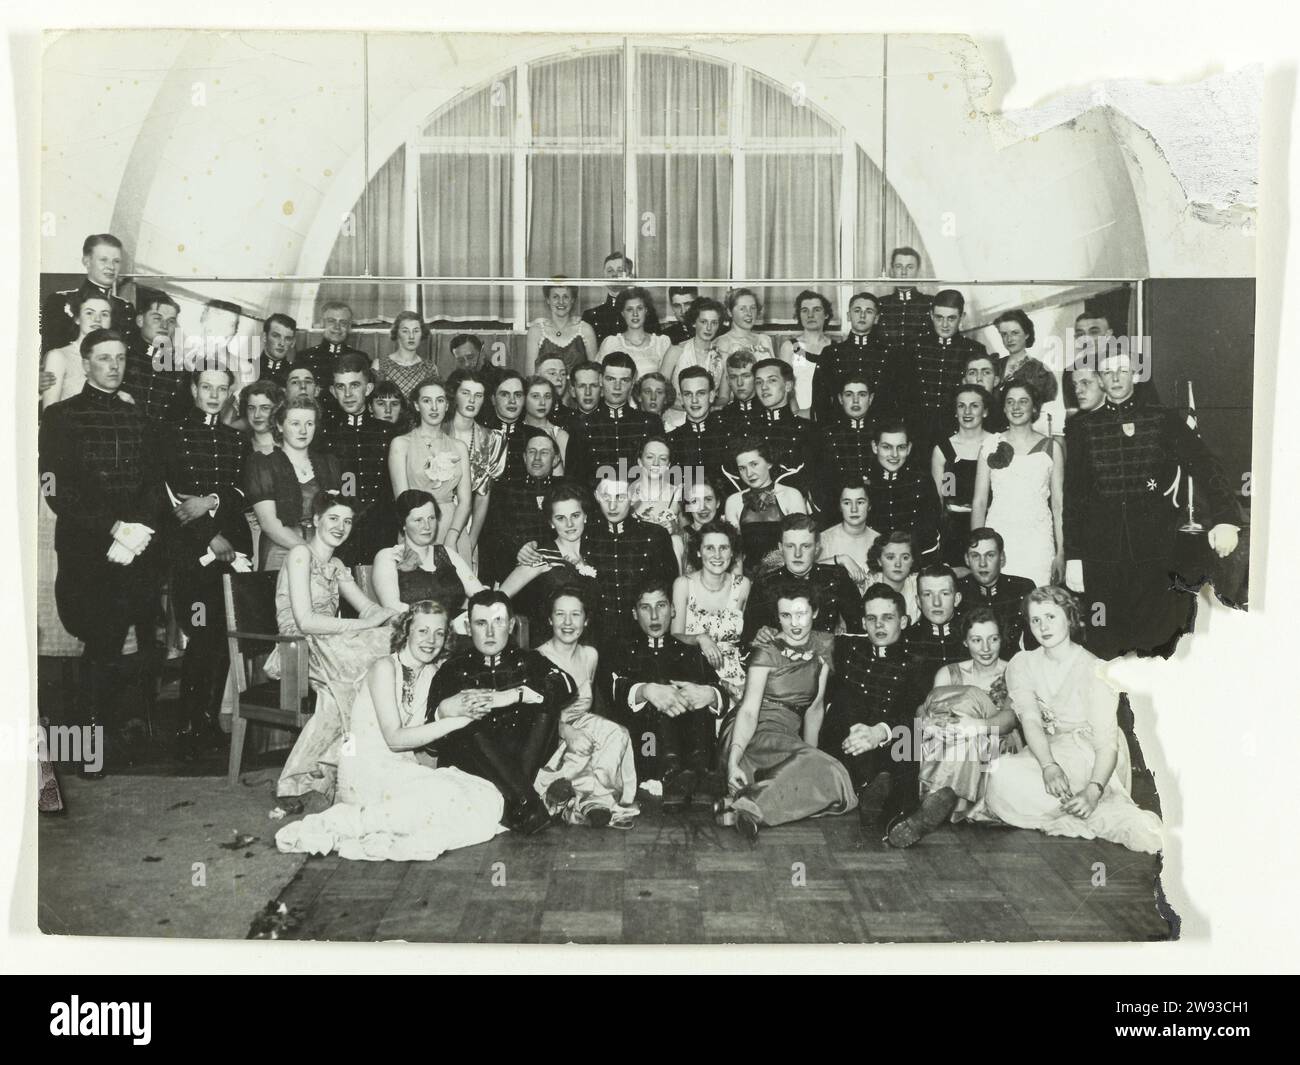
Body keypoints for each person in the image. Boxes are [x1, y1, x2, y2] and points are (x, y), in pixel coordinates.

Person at [274, 600, 506, 860]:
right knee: (444, 800)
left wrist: (451, 711)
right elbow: (395, 740)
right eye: (422, 631)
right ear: (406, 632)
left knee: (485, 795)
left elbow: (428, 738)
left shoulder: (432, 673)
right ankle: (347, 820)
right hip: (366, 774)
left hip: (402, 771)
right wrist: (459, 720)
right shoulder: (384, 667)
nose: (431, 640)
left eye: (439, 633)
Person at [39, 328, 166, 775]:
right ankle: (88, 745)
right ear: (86, 361)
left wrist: (139, 532)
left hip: (136, 549)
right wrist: (112, 528)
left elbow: (153, 485)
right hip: (87, 551)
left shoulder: (143, 420)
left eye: (120, 358)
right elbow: (56, 488)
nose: (114, 366)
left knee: (132, 642)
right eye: (104, 358)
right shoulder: (60, 417)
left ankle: (120, 734)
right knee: (99, 640)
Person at [1064, 351, 1241, 659]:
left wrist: (1226, 518)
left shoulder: (1163, 419)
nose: (1116, 378)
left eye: (1122, 370)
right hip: (1100, 563)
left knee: (1157, 644)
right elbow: (1074, 496)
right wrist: (1074, 556)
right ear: (1101, 380)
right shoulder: (1082, 428)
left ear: (1135, 374)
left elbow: (1205, 464)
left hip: (1156, 557)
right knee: (1102, 639)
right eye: (1107, 373)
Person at [983, 587, 1164, 853]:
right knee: (999, 775)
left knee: (1071, 792)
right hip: (1047, 750)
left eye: (1051, 617)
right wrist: (1048, 766)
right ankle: (1076, 809)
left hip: (1091, 754)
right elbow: (1031, 722)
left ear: (1070, 617)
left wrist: (1093, 789)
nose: (1043, 626)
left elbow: (1107, 745)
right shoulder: (1023, 663)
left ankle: (1091, 803)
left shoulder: (1095, 670)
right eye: (1035, 620)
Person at [271, 495, 399, 800]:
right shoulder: (300, 554)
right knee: (352, 683)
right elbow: (305, 621)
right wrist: (363, 625)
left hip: (333, 643)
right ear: (315, 520)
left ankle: (342, 770)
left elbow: (367, 608)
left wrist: (397, 615)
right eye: (333, 519)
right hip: (298, 647)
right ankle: (306, 778)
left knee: (380, 658)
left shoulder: (337, 564)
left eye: (347, 521)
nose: (341, 527)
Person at [424, 590, 579, 835]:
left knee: (545, 708)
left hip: (522, 758)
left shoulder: (529, 660)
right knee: (467, 721)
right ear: (468, 626)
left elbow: (568, 687)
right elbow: (431, 745)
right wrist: (443, 712)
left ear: (511, 625)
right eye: (481, 623)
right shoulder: (453, 669)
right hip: (474, 764)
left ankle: (517, 801)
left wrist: (515, 694)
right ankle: (527, 801)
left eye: (498, 622)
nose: (489, 632)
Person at [723, 581, 858, 840]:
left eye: (801, 614)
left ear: (815, 612)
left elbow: (815, 708)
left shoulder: (824, 645)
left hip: (788, 735)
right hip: (753, 732)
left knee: (829, 771)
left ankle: (741, 805)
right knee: (829, 772)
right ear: (778, 616)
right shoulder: (767, 650)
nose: (794, 623)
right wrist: (732, 761)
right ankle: (752, 806)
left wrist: (810, 756)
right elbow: (749, 711)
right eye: (786, 615)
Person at [162, 367, 252, 753]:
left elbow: (241, 491)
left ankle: (209, 720)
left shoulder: (236, 439)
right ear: (194, 390)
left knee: (222, 636)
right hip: (191, 555)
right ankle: (187, 724)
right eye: (207, 388)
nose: (214, 395)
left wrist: (212, 502)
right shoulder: (171, 433)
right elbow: (170, 499)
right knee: (199, 634)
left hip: (229, 553)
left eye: (221, 389)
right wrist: (209, 536)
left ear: (230, 393)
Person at [885, 606, 1023, 847]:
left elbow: (1009, 719)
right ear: (965, 641)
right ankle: (940, 802)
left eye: (993, 639)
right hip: (950, 741)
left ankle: (928, 802)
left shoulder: (1014, 672)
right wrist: (929, 724)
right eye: (977, 640)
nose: (986, 648)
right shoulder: (948, 673)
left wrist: (975, 725)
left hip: (994, 742)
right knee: (915, 734)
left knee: (970, 703)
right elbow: (926, 709)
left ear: (1002, 639)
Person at [597, 577, 730, 807]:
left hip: (691, 751)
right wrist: (647, 691)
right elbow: (612, 690)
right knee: (658, 689)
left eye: (661, 606)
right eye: (645, 608)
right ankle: (671, 773)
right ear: (634, 613)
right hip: (647, 749)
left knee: (697, 693)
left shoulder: (691, 653)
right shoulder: (620, 649)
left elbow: (722, 696)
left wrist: (708, 694)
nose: (655, 616)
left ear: (674, 609)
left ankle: (699, 773)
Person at [532, 586, 638, 827]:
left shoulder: (591, 655)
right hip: (550, 734)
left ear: (586, 620)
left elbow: (588, 710)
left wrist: (593, 735)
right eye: (560, 614)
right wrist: (567, 732)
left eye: (576, 614)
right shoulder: (536, 659)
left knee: (617, 733)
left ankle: (587, 799)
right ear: (549, 619)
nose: (568, 622)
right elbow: (533, 717)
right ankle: (574, 799)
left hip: (582, 727)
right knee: (581, 750)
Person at [819, 583, 916, 829]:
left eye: (888, 618)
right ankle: (883, 801)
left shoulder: (916, 663)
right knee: (848, 697)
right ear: (863, 623)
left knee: (909, 734)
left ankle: (891, 807)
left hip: (888, 746)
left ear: (903, 622)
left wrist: (878, 733)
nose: (879, 625)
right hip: (845, 745)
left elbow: (911, 714)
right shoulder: (847, 648)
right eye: (871, 619)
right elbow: (802, 636)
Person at [971, 382, 1064, 587]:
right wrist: (977, 550)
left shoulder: (1052, 447)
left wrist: (1061, 552)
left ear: (1034, 408)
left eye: (1023, 401)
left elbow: (1058, 506)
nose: (1016, 407)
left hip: (1038, 541)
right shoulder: (989, 446)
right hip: (999, 539)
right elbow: (979, 502)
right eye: (1010, 402)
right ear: (1003, 408)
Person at [317, 353, 398, 566]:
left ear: (368, 389)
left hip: (383, 530)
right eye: (341, 387)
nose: (348, 394)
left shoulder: (389, 433)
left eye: (354, 385)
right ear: (333, 391)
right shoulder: (323, 434)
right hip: (340, 532)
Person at [245, 397, 342, 570]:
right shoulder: (262, 464)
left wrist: (324, 552)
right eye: (295, 423)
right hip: (281, 552)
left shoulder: (330, 464)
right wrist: (313, 553)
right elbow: (269, 523)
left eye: (309, 424)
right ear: (280, 426)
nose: (303, 431)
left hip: (325, 550)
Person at [581, 476, 679, 647]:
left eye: (620, 497)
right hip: (597, 639)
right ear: (596, 496)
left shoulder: (655, 536)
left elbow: (669, 591)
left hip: (643, 638)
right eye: (606, 497)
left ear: (634, 496)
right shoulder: (586, 536)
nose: (612, 506)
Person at [501, 483, 602, 642]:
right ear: (551, 523)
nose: (569, 524)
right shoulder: (539, 556)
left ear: (585, 516)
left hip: (590, 643)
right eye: (560, 518)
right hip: (550, 643)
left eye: (575, 515)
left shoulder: (596, 553)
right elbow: (500, 597)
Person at [743, 514, 863, 644]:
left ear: (817, 548)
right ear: (780, 548)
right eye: (790, 546)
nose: (797, 554)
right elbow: (748, 636)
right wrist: (759, 635)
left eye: (805, 546)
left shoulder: (836, 577)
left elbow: (859, 629)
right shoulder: (765, 583)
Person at [371, 490, 485, 622]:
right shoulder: (388, 557)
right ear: (403, 524)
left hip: (456, 632)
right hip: (413, 633)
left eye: (431, 518)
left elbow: (481, 596)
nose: (427, 526)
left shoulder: (447, 553)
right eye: (418, 520)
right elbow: (393, 609)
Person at [389, 378, 473, 554]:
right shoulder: (401, 444)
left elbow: (465, 501)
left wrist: (452, 537)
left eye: (440, 400)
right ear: (417, 406)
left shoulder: (459, 447)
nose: (434, 407)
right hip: (417, 527)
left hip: (453, 528)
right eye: (427, 401)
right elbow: (403, 501)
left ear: (447, 405)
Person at [672, 520, 750, 704]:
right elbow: (674, 635)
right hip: (694, 674)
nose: (717, 555)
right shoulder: (683, 584)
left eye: (723, 548)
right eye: (709, 548)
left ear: (732, 552)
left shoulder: (743, 585)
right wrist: (700, 638)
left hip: (735, 679)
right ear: (699, 552)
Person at [902, 289, 987, 451]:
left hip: (958, 434)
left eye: (951, 318)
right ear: (931, 315)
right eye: (939, 318)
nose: (945, 325)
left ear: (962, 317)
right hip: (916, 435)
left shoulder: (975, 351)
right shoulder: (912, 348)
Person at [564, 352, 663, 488]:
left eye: (624, 380)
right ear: (600, 380)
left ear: (633, 382)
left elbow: (661, 476)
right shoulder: (582, 424)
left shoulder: (650, 423)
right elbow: (573, 481)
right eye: (611, 379)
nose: (617, 387)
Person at [480, 427, 564, 586]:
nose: (537, 458)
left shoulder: (565, 490)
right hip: (514, 574)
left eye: (544, 452)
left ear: (555, 460)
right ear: (525, 458)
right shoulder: (504, 491)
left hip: (556, 575)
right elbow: (493, 535)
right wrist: (517, 548)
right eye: (532, 452)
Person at [445, 368, 508, 562]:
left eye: (478, 395)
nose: (472, 400)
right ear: (454, 395)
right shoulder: (437, 431)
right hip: (434, 517)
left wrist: (471, 540)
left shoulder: (493, 439)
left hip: (467, 523)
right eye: (466, 393)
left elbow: (482, 497)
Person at [932, 383, 998, 567]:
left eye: (974, 406)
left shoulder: (997, 444)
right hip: (953, 531)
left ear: (985, 411)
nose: (967, 411)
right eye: (961, 406)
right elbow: (942, 496)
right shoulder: (944, 449)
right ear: (955, 411)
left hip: (991, 524)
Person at [723, 437, 809, 574]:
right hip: (749, 578)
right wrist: (738, 588)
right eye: (742, 468)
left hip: (787, 575)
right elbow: (735, 555)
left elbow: (801, 546)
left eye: (754, 464)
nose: (749, 473)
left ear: (769, 463)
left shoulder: (791, 495)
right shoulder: (733, 502)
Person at [40, 233, 137, 353]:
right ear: (86, 262)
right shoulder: (60, 302)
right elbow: (51, 352)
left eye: (116, 261)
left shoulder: (125, 308)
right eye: (103, 260)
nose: (111, 267)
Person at [866, 418, 943, 560]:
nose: (894, 455)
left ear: (909, 448)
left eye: (900, 447)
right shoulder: (864, 484)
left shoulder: (922, 482)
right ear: (874, 447)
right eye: (886, 447)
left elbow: (929, 531)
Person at [810, 292, 892, 424]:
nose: (862, 315)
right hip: (838, 429)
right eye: (857, 310)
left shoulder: (890, 354)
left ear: (877, 318)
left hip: (879, 429)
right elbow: (820, 400)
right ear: (849, 316)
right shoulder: (831, 353)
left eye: (869, 311)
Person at [956, 527, 1037, 659]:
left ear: (1002, 558)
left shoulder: (1022, 588)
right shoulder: (958, 590)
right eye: (975, 556)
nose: (982, 563)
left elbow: (1034, 645)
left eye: (990, 555)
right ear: (966, 559)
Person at [811, 372, 876, 516]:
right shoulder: (825, 436)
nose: (855, 401)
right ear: (840, 399)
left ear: (871, 399)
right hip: (837, 511)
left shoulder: (882, 435)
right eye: (849, 394)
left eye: (862, 394)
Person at [666, 367, 732, 504]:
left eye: (701, 393)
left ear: (712, 396)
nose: (694, 400)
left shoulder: (728, 435)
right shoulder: (671, 440)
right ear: (681, 398)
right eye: (688, 394)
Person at [995, 309, 1064, 437]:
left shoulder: (1041, 371)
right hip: (994, 435)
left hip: (1026, 436)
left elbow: (1046, 415)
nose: (1009, 339)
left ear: (1026, 334)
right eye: (1004, 334)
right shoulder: (994, 366)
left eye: (1015, 333)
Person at [120, 294, 188, 424]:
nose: (164, 326)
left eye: (171, 321)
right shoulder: (121, 356)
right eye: (157, 318)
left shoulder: (178, 366)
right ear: (140, 321)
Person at [754, 358, 814, 496]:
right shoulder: (746, 431)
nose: (764, 387)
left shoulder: (809, 431)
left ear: (788, 386)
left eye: (772, 380)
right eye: (758, 382)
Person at [41, 293, 112, 408]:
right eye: (89, 313)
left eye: (104, 314)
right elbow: (50, 416)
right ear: (77, 319)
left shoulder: (115, 359)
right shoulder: (59, 357)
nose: (97, 319)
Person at [660, 297, 728, 409]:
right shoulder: (675, 351)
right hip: (677, 417)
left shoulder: (723, 357)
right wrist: (691, 408)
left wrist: (709, 409)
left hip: (708, 417)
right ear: (694, 323)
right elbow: (660, 391)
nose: (709, 328)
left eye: (714, 323)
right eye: (703, 322)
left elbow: (724, 397)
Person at [779, 289, 835, 418]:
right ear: (799, 315)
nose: (810, 315)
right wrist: (797, 413)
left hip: (829, 417)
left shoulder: (835, 348)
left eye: (816, 310)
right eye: (804, 310)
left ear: (826, 314)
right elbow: (785, 386)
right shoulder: (792, 347)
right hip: (798, 416)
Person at [816, 482, 880, 595]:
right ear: (839, 506)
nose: (854, 509)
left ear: (869, 505)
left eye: (860, 502)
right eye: (847, 503)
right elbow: (807, 573)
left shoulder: (880, 541)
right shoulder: (823, 540)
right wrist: (841, 560)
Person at [902, 564, 966, 677]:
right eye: (928, 594)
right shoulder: (906, 641)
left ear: (957, 599)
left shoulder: (973, 635)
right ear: (918, 601)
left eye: (944, 593)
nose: (937, 603)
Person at [597, 286, 671, 381]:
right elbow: (599, 378)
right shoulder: (611, 343)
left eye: (639, 308)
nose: (635, 314)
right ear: (623, 313)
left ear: (646, 311)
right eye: (629, 309)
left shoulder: (661, 343)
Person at [875, 246, 934, 360]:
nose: (903, 272)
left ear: (918, 271)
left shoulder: (931, 303)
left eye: (910, 267)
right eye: (898, 266)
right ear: (892, 271)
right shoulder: (880, 304)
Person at [528, 281, 598, 375]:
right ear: (548, 300)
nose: (561, 302)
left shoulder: (585, 330)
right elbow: (530, 375)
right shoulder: (536, 331)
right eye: (555, 297)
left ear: (572, 300)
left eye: (566, 297)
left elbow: (595, 374)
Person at [628, 435, 683, 542]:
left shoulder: (679, 493)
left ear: (668, 465)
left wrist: (675, 529)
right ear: (639, 461)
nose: (656, 463)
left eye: (662, 458)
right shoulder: (625, 494)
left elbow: (690, 533)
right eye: (650, 457)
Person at [477, 369, 530, 480]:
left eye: (518, 395)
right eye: (505, 394)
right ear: (493, 399)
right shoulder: (479, 435)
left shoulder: (534, 436)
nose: (512, 401)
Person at [300, 300, 366, 388]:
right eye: (331, 321)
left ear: (349, 327)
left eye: (343, 322)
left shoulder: (361, 358)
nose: (337, 327)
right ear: (322, 323)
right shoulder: (304, 357)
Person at [372, 310, 436, 399]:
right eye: (405, 331)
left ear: (422, 333)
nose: (411, 336)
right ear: (397, 333)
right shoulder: (380, 365)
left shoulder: (429, 367)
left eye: (416, 331)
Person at [865, 529, 921, 623]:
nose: (898, 564)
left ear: (912, 561)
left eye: (905, 558)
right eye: (890, 557)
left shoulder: (920, 585)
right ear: (879, 561)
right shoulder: (865, 585)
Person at [581, 252, 637, 345]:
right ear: (604, 276)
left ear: (630, 277)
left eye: (620, 270)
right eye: (610, 271)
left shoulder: (644, 313)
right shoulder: (590, 316)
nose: (614, 275)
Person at [522, 375, 570, 472]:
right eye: (535, 396)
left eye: (547, 396)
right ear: (524, 398)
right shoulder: (516, 430)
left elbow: (564, 479)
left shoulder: (560, 436)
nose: (542, 402)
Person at [714, 288, 775, 362]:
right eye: (742, 309)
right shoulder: (722, 343)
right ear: (729, 312)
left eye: (752, 308)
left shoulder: (765, 339)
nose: (749, 313)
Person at [718, 350, 764, 438]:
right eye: (734, 377)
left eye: (746, 376)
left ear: (756, 377)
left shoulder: (769, 412)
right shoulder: (722, 416)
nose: (739, 383)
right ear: (728, 381)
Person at [535, 350, 580, 430]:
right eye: (552, 373)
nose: (559, 378)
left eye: (563, 374)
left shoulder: (574, 417)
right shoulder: (526, 415)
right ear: (537, 377)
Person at [238, 380, 282, 457]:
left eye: (264, 408)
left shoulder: (290, 446)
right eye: (251, 408)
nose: (256, 415)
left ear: (277, 410)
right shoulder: (240, 448)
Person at [257, 312, 298, 385]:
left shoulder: (295, 375)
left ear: (293, 342)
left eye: (287, 338)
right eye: (276, 336)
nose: (282, 343)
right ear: (264, 337)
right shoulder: (248, 368)